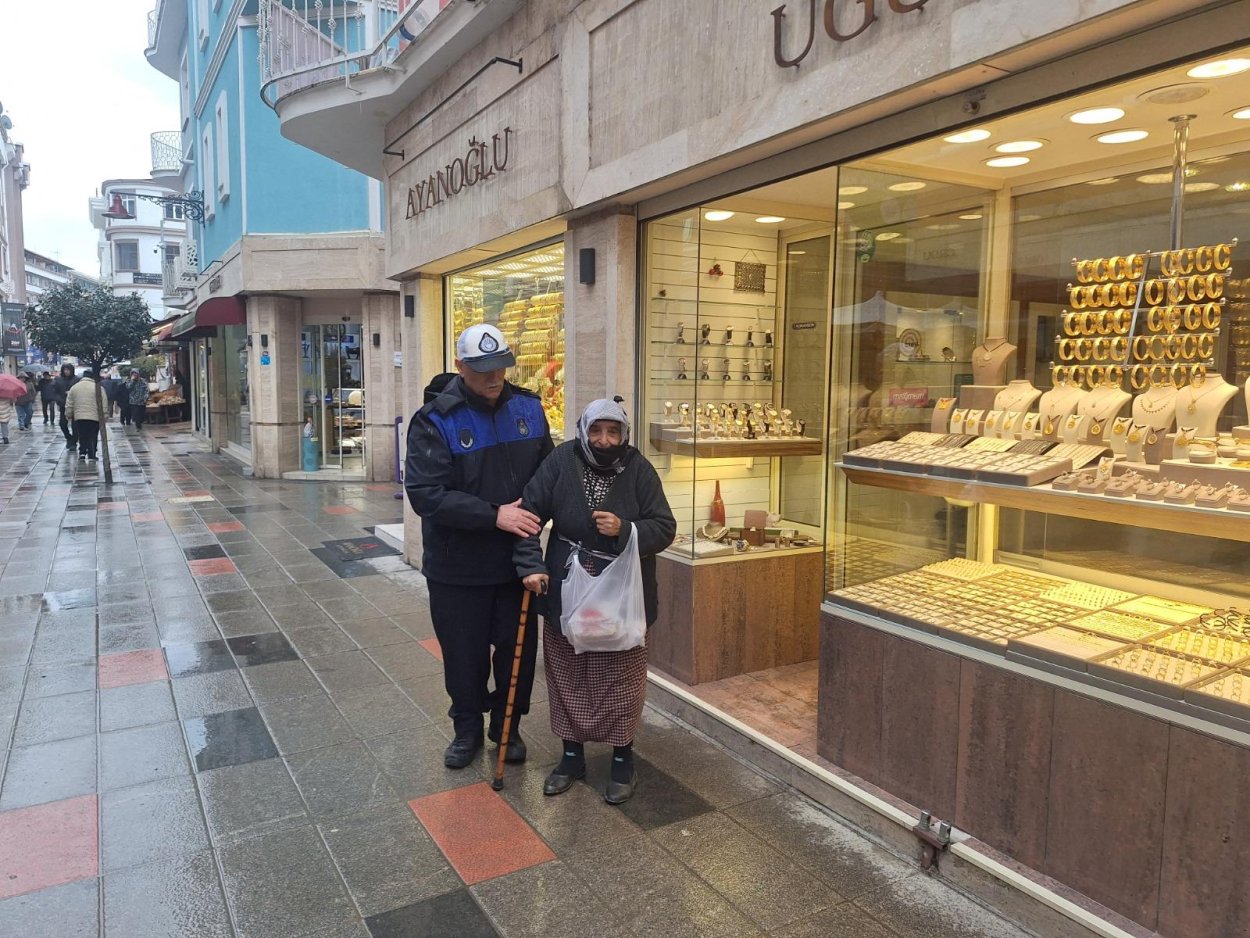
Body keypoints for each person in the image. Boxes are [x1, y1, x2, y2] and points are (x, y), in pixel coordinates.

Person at [405, 324, 553, 769]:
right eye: (483, 368)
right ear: (460, 366)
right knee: (464, 656)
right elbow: (426, 494)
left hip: (515, 563)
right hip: (458, 567)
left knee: (517, 655)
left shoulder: (529, 408)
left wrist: (535, 516)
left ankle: (507, 727)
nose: (495, 377)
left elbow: (548, 474)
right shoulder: (435, 420)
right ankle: (466, 729)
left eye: (501, 366)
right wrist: (494, 515)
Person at [514, 399, 676, 804]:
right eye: (596, 431)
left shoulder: (638, 468)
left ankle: (622, 758)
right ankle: (571, 756)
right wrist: (531, 566)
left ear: (624, 434)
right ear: (583, 430)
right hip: (568, 588)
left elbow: (664, 527)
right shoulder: (561, 461)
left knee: (621, 678)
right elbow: (528, 516)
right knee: (567, 674)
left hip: (622, 597)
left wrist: (626, 529)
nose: (604, 440)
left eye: (613, 432)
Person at [65, 371, 101, 461]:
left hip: (79, 416)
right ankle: (92, 454)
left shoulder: (75, 387)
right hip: (94, 416)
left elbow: (69, 402)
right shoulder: (97, 387)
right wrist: (104, 414)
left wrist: (68, 413)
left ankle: (82, 453)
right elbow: (103, 401)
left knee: (82, 434)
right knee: (93, 435)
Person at [52, 363, 78, 450]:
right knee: (62, 423)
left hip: (75, 405)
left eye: (68, 370)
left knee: (75, 426)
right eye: (65, 370)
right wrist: (59, 400)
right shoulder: (58, 380)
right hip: (63, 405)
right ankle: (69, 437)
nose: (66, 371)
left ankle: (74, 442)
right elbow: (54, 392)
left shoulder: (76, 380)